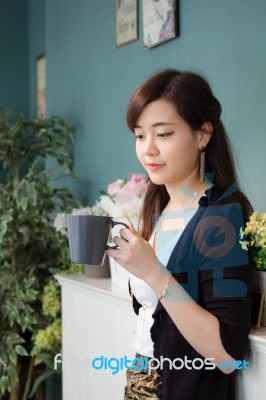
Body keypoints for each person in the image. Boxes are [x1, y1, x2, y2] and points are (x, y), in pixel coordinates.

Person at [106, 69, 253, 400]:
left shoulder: (221, 218)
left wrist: (155, 274)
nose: (148, 150)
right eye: (139, 136)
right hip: (141, 381)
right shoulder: (160, 207)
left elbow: (228, 357)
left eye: (164, 134)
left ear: (203, 135)